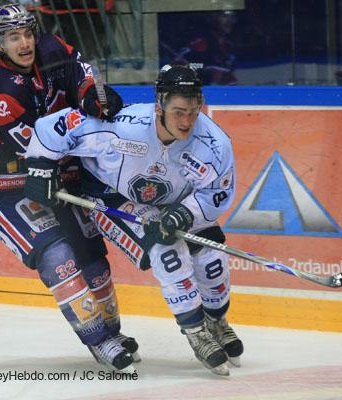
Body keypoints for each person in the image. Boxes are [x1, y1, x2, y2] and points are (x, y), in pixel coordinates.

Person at [24, 64, 244, 376]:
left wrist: (186, 212)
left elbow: (216, 193)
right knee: (167, 251)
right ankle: (196, 333)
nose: (187, 121)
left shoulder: (214, 144)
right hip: (114, 196)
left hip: (176, 204)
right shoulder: (124, 125)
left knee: (211, 256)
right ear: (160, 106)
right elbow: (54, 127)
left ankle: (217, 322)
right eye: (179, 111)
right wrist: (39, 164)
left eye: (194, 112)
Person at [0, 4, 139, 373]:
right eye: (13, 37)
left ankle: (112, 331)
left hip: (59, 178)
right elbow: (39, 147)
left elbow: (83, 71)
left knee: (93, 258)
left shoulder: (52, 47)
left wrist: (93, 94)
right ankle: (97, 340)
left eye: (27, 33)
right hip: (8, 187)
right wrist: (89, 125)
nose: (24, 43)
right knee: (58, 256)